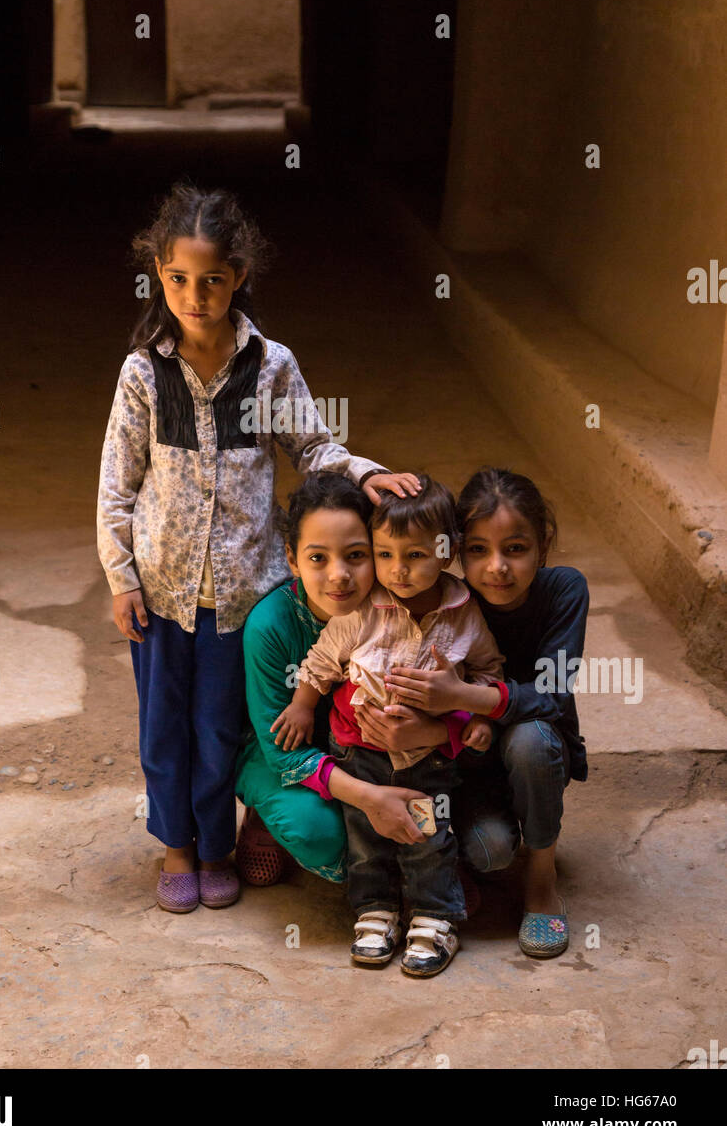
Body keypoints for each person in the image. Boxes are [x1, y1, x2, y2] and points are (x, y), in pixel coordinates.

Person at [96, 181, 418, 914]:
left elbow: (313, 445)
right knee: (163, 730)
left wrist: (369, 474)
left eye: (212, 280)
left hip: (243, 597)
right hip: (162, 593)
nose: (195, 295)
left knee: (223, 728)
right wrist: (122, 578)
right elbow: (117, 485)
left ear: (238, 276)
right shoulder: (144, 372)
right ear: (157, 271)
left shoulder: (270, 366)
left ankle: (218, 848)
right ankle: (176, 847)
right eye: (179, 279)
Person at [271, 475, 503, 976]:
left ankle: (434, 917)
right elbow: (323, 659)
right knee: (366, 838)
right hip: (362, 752)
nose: (398, 570)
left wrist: (476, 719)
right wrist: (303, 705)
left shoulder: (465, 614)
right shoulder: (364, 611)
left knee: (427, 837)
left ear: (447, 552)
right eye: (385, 555)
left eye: (416, 556)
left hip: (427, 758)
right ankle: (375, 912)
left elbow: (487, 670)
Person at [377, 467, 588, 959]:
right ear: (453, 550)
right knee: (491, 855)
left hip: (534, 753)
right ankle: (462, 845)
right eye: (478, 550)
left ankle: (540, 878)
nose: (497, 567)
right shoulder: (445, 599)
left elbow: (553, 695)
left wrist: (463, 697)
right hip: (462, 768)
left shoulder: (563, 591)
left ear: (543, 544)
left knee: (531, 736)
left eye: (515, 549)